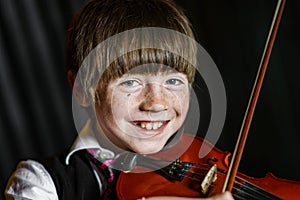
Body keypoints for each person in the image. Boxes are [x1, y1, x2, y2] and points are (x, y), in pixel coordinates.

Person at [5, 0, 233, 199]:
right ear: (82, 88)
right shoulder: (40, 183)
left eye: (173, 81)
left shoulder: (206, 168)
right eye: (130, 82)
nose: (156, 103)